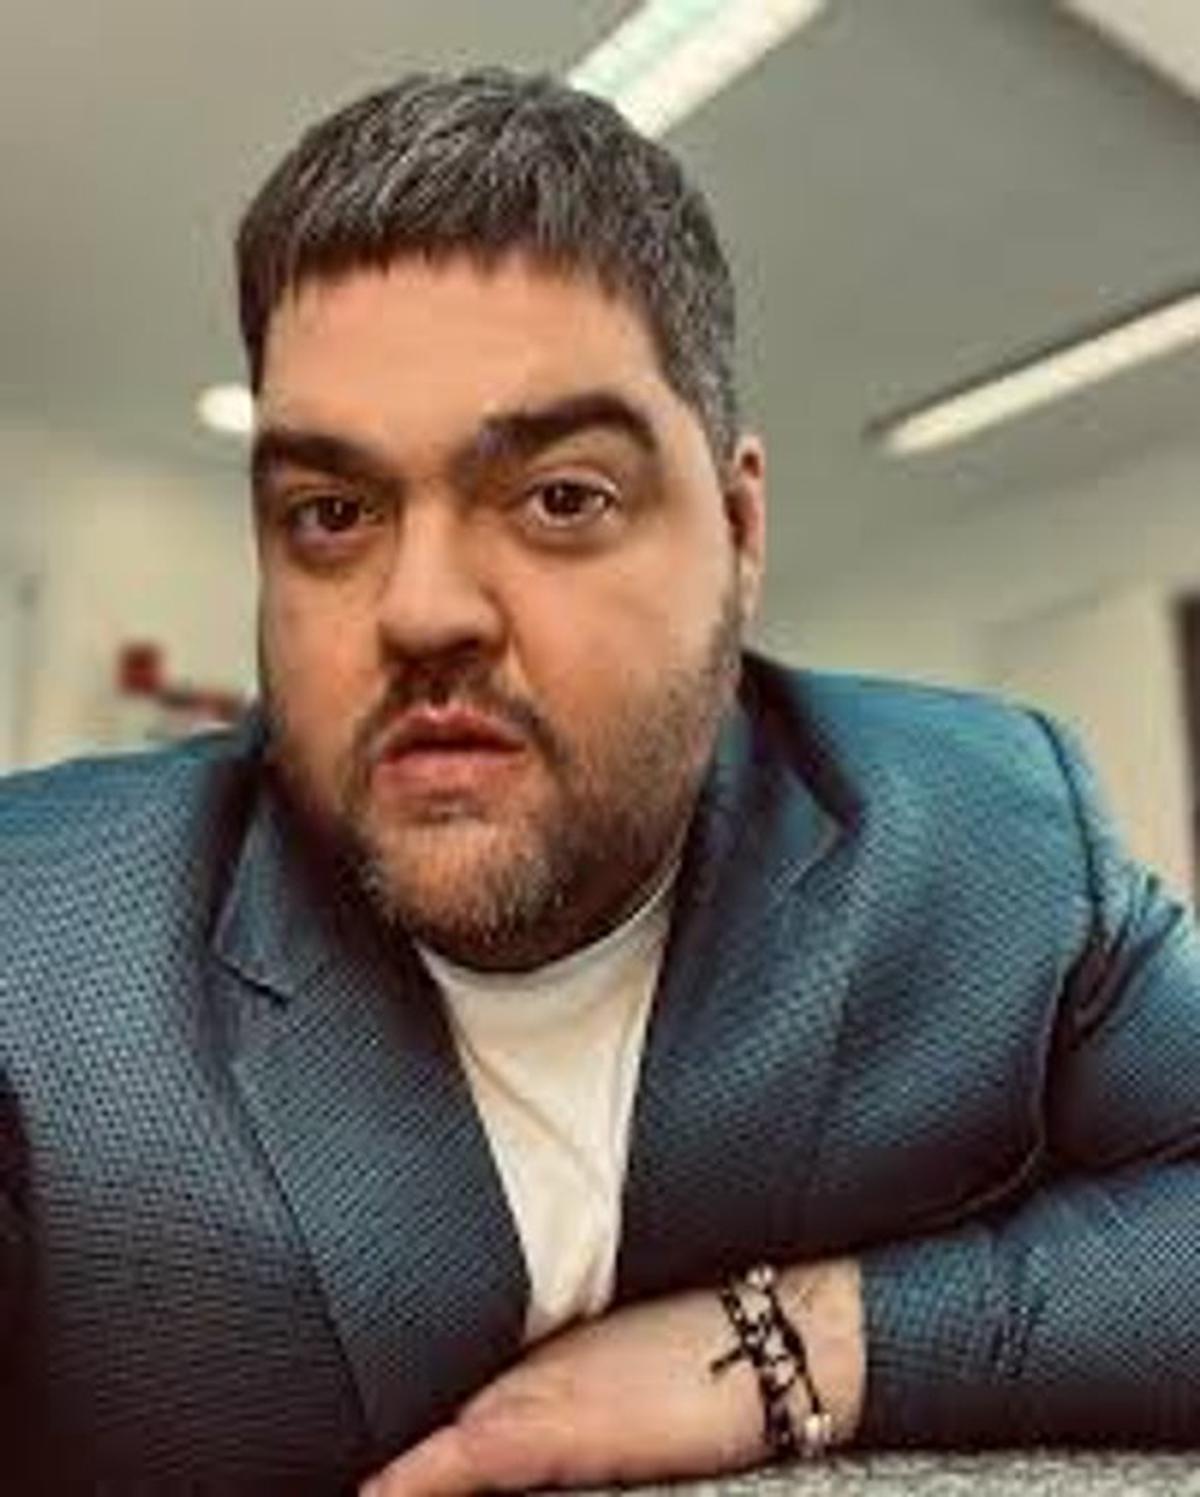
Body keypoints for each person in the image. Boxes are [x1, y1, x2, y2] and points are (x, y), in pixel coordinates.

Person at [3, 66, 1200, 1495]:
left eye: (561, 496)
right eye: (330, 513)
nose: (422, 608)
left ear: (738, 530)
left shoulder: (990, 839)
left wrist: (802, 1345)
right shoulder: (39, 942)